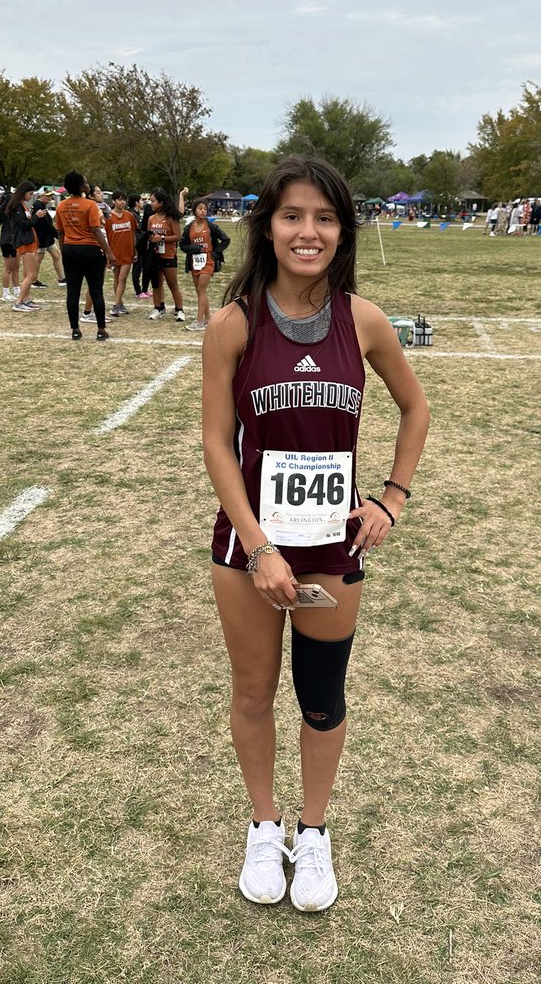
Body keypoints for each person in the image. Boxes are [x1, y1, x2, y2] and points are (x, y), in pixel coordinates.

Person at [202, 155, 430, 912]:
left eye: (325, 217)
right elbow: (215, 446)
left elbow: (416, 409)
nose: (309, 231)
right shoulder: (233, 326)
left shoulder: (363, 319)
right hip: (247, 551)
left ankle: (315, 833)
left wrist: (391, 500)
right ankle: (264, 825)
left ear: (342, 230)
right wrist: (261, 547)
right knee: (255, 690)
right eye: (293, 215)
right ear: (268, 226)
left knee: (322, 696)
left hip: (335, 547)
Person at [54, 171, 117, 341]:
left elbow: (60, 232)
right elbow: (96, 230)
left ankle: (75, 329)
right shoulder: (90, 206)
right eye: (86, 183)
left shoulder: (61, 206)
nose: (88, 185)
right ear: (82, 187)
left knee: (72, 293)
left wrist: (64, 249)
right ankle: (101, 330)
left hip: (70, 250)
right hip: (89, 250)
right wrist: (110, 253)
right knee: (96, 290)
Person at [179, 198, 231, 331]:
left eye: (205, 208)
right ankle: (208, 319)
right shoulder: (189, 227)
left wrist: (214, 254)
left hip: (208, 261)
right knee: (200, 292)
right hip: (194, 262)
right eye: (200, 208)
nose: (203, 211)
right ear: (194, 210)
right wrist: (195, 249)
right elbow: (182, 245)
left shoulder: (211, 226)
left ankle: (199, 321)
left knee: (201, 290)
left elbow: (226, 239)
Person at [144, 190, 186, 322]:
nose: (151, 203)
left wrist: (161, 237)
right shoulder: (151, 218)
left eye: (153, 201)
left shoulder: (171, 218)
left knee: (172, 284)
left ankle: (179, 310)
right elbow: (149, 235)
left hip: (168, 255)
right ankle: (158, 308)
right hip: (154, 256)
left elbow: (178, 236)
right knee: (156, 284)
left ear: (161, 203)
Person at [3, 182, 40, 313]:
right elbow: (24, 224)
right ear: (23, 192)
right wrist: (37, 216)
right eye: (30, 194)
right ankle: (18, 302)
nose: (31, 196)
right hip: (24, 242)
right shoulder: (16, 206)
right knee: (32, 274)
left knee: (27, 273)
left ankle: (26, 299)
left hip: (30, 241)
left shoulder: (23, 205)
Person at [105, 190, 138, 315]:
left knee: (122, 278)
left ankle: (116, 304)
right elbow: (106, 236)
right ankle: (119, 303)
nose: (122, 202)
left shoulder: (129, 215)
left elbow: (133, 233)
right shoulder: (108, 217)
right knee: (117, 279)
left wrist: (135, 250)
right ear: (113, 201)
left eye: (124, 199)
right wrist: (108, 254)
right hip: (114, 252)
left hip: (127, 252)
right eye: (119, 199)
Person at [31, 190, 66, 288]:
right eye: (47, 196)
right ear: (40, 196)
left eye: (51, 196)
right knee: (39, 259)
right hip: (41, 238)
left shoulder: (41, 205)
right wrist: (58, 235)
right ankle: (34, 280)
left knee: (56, 255)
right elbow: (45, 224)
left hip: (47, 237)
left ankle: (62, 279)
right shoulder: (38, 205)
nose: (49, 198)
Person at [0, 189, 20, 300]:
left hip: (15, 240)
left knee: (16, 267)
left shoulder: (11, 210)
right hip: (7, 241)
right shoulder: (4, 212)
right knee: (8, 268)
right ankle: (5, 292)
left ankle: (17, 290)